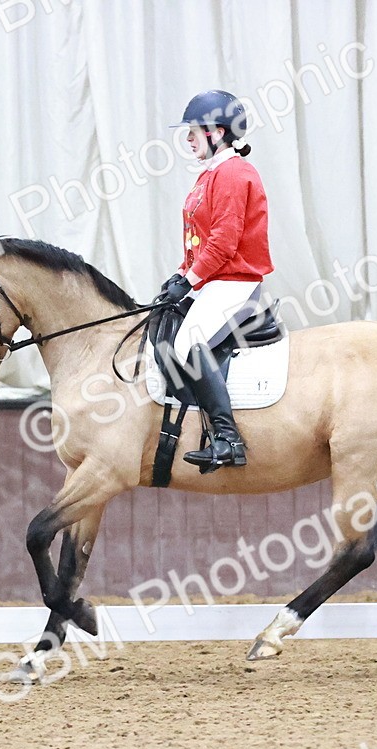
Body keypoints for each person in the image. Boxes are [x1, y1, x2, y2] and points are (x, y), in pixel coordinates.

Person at [158, 89, 276, 472]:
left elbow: (224, 242)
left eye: (195, 131)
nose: (189, 139)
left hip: (235, 282)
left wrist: (190, 279)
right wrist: (180, 274)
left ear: (217, 132)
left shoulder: (233, 173)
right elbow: (200, 242)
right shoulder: (210, 175)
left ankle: (228, 439)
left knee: (189, 341)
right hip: (214, 281)